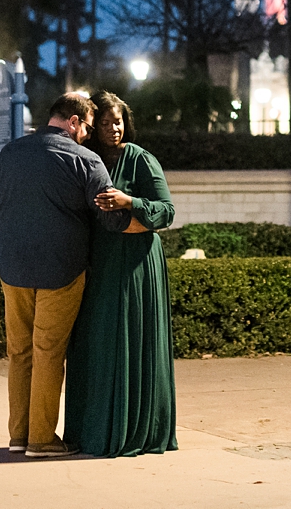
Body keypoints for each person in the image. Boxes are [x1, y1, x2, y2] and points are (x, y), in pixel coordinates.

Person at [0, 92, 127, 459]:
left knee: (19, 352)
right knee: (48, 352)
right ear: (75, 122)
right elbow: (109, 215)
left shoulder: (12, 152)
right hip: (61, 269)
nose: (88, 135)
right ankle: (42, 439)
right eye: (88, 128)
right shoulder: (86, 159)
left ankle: (18, 435)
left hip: (13, 268)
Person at [65, 91, 178, 456]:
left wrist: (130, 201)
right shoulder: (85, 160)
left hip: (136, 265)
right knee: (96, 345)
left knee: (133, 342)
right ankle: (93, 430)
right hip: (98, 264)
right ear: (91, 126)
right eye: (104, 122)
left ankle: (137, 431)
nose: (113, 128)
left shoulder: (141, 159)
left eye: (118, 121)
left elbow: (166, 211)